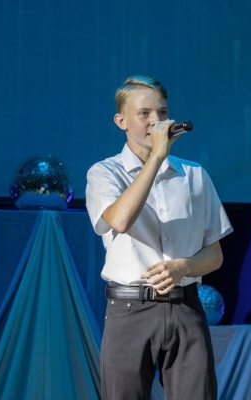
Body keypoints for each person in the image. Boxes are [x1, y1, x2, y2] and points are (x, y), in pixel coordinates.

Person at [85, 75, 233, 400]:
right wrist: (156, 157)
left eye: (162, 112)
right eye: (145, 113)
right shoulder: (104, 173)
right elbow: (120, 220)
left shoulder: (194, 174)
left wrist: (185, 267)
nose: (157, 121)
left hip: (185, 305)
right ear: (121, 121)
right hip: (129, 308)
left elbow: (215, 254)